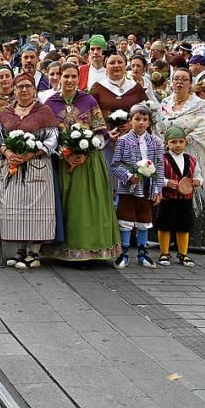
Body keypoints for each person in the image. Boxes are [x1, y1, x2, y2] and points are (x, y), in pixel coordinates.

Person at [44, 63, 119, 262]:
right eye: (65, 76)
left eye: (73, 76)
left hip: (89, 162)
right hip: (63, 161)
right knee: (68, 207)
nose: (69, 80)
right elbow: (50, 135)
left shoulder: (88, 100)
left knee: (89, 207)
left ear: (79, 78)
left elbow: (100, 130)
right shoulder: (51, 103)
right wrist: (65, 153)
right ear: (58, 77)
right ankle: (65, 250)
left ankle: (91, 249)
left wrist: (86, 151)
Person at [0, 73, 59, 269]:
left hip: (36, 167)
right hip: (11, 168)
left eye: (28, 86)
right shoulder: (5, 113)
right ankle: (20, 251)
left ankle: (33, 253)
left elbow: (52, 139)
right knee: (15, 209)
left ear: (35, 89)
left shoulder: (44, 112)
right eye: (20, 87)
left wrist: (31, 154)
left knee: (35, 210)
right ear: (14, 89)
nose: (24, 90)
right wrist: (7, 151)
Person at [156, 68, 205, 253]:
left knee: (199, 192)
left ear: (190, 83)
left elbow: (204, 129)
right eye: (176, 79)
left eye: (184, 80)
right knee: (171, 191)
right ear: (171, 82)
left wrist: (182, 140)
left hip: (194, 154)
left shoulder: (199, 104)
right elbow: (159, 126)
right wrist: (167, 142)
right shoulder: (165, 102)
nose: (179, 83)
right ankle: (170, 237)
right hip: (170, 155)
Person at [110, 103, 165, 269]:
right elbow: (115, 164)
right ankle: (124, 253)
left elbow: (159, 166)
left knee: (144, 219)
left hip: (147, 187)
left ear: (149, 122)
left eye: (145, 119)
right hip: (128, 188)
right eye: (137, 119)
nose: (141, 123)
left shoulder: (155, 142)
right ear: (130, 121)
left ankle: (143, 254)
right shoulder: (123, 141)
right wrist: (128, 176)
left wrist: (157, 189)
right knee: (125, 218)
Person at [156, 126, 203, 267]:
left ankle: (183, 254)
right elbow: (157, 176)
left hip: (185, 200)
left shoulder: (192, 160)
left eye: (180, 142)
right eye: (173, 142)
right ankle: (164, 252)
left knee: (184, 226)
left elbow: (198, 175)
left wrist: (197, 182)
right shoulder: (162, 159)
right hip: (168, 199)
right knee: (165, 225)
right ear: (167, 144)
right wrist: (166, 182)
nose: (177, 145)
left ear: (185, 142)